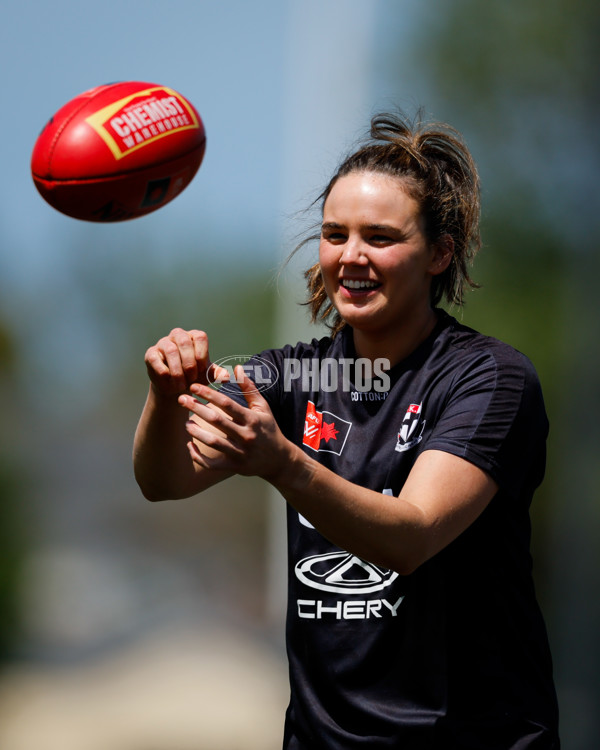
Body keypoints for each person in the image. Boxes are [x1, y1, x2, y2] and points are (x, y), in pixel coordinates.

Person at [133, 112, 560, 749]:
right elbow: (164, 479)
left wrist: (283, 463)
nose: (351, 256)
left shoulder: (489, 379)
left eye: (381, 237)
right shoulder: (289, 376)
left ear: (439, 253)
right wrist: (166, 397)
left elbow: (410, 539)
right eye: (336, 235)